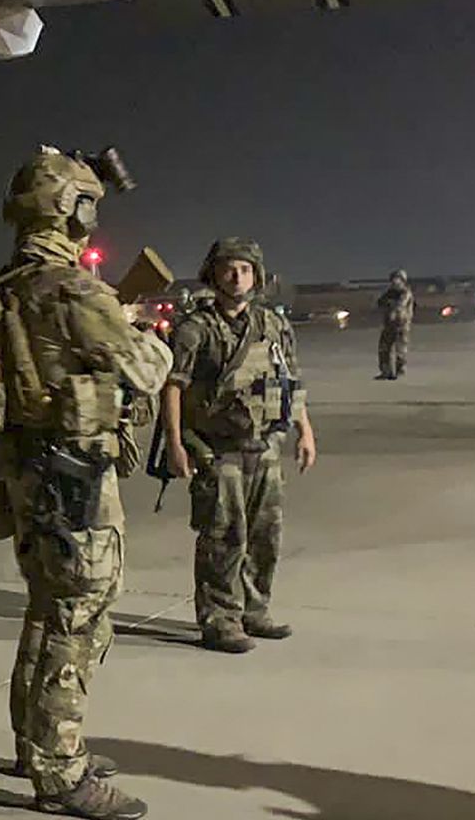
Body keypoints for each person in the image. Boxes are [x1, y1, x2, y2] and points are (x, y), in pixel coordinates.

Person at [0, 147, 170, 819]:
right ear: (74, 210)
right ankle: (61, 770)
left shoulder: (7, 287)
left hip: (30, 471)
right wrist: (145, 333)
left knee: (47, 606)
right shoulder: (74, 290)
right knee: (78, 614)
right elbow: (145, 371)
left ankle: (38, 744)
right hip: (76, 475)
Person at [164, 237, 318, 655]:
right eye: (229, 268)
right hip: (217, 449)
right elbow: (173, 387)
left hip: (264, 446)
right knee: (222, 535)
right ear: (213, 273)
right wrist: (176, 444)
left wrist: (305, 430)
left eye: (246, 269)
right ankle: (219, 619)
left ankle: (254, 609)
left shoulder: (272, 325)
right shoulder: (195, 329)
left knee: (265, 534)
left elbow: (290, 382)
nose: (237, 277)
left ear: (257, 276)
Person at [376, 269, 413, 379]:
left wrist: (392, 308)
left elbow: (400, 305)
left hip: (401, 325)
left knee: (400, 349)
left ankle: (400, 371)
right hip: (388, 325)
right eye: (393, 279)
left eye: (397, 279)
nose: (395, 282)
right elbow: (380, 302)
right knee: (383, 349)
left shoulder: (405, 293)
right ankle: (386, 372)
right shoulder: (390, 293)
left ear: (402, 281)